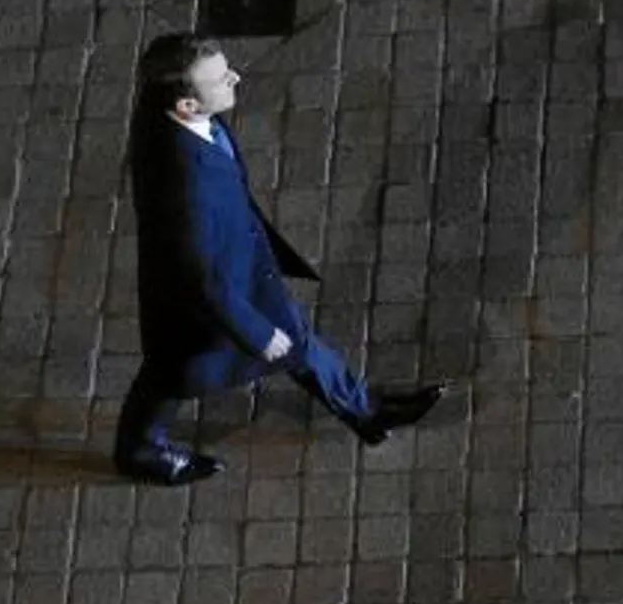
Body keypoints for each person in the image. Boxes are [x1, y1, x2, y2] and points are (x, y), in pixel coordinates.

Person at [115, 32, 447, 486]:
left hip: (232, 271)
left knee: (295, 343)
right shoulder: (181, 182)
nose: (235, 76)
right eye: (219, 79)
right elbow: (196, 275)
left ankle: (366, 411)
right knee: (174, 372)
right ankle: (139, 450)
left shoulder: (172, 114)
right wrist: (255, 331)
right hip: (209, 298)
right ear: (187, 107)